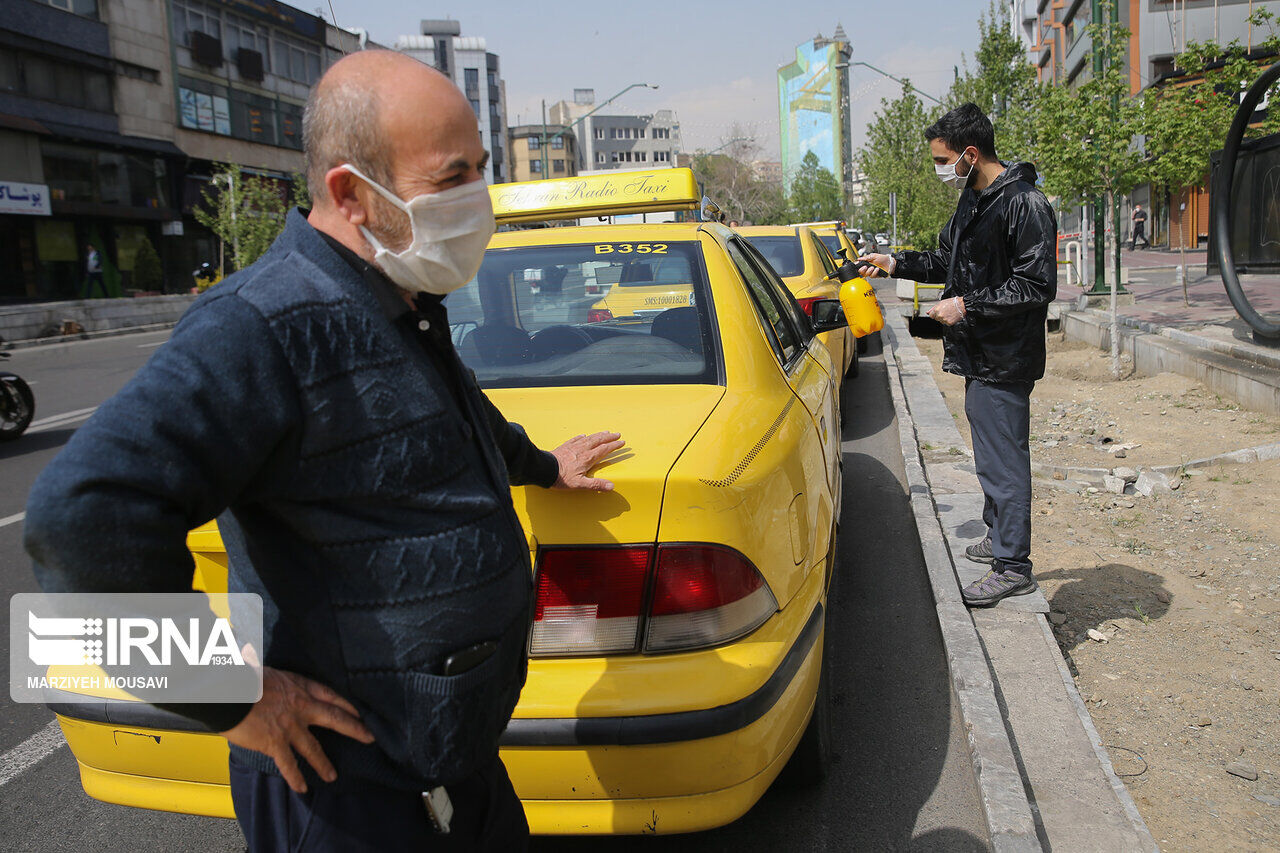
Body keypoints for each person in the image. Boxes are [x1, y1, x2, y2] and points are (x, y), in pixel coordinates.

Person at [25, 50, 625, 851]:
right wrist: (228, 695)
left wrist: (545, 465)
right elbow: (73, 521)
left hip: (451, 763)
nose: (480, 199)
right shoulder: (261, 325)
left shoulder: (399, 299)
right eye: (452, 178)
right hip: (344, 797)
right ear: (351, 193)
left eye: (482, 169)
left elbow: (452, 419)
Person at [856, 102, 1056, 607]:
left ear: (970, 153)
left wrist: (968, 304)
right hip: (979, 352)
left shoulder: (1024, 204)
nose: (941, 169)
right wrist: (896, 261)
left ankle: (1014, 564)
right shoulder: (973, 199)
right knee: (990, 455)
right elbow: (947, 259)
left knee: (1004, 460)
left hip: (1005, 357)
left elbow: (1035, 285)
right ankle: (999, 537)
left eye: (944, 160)